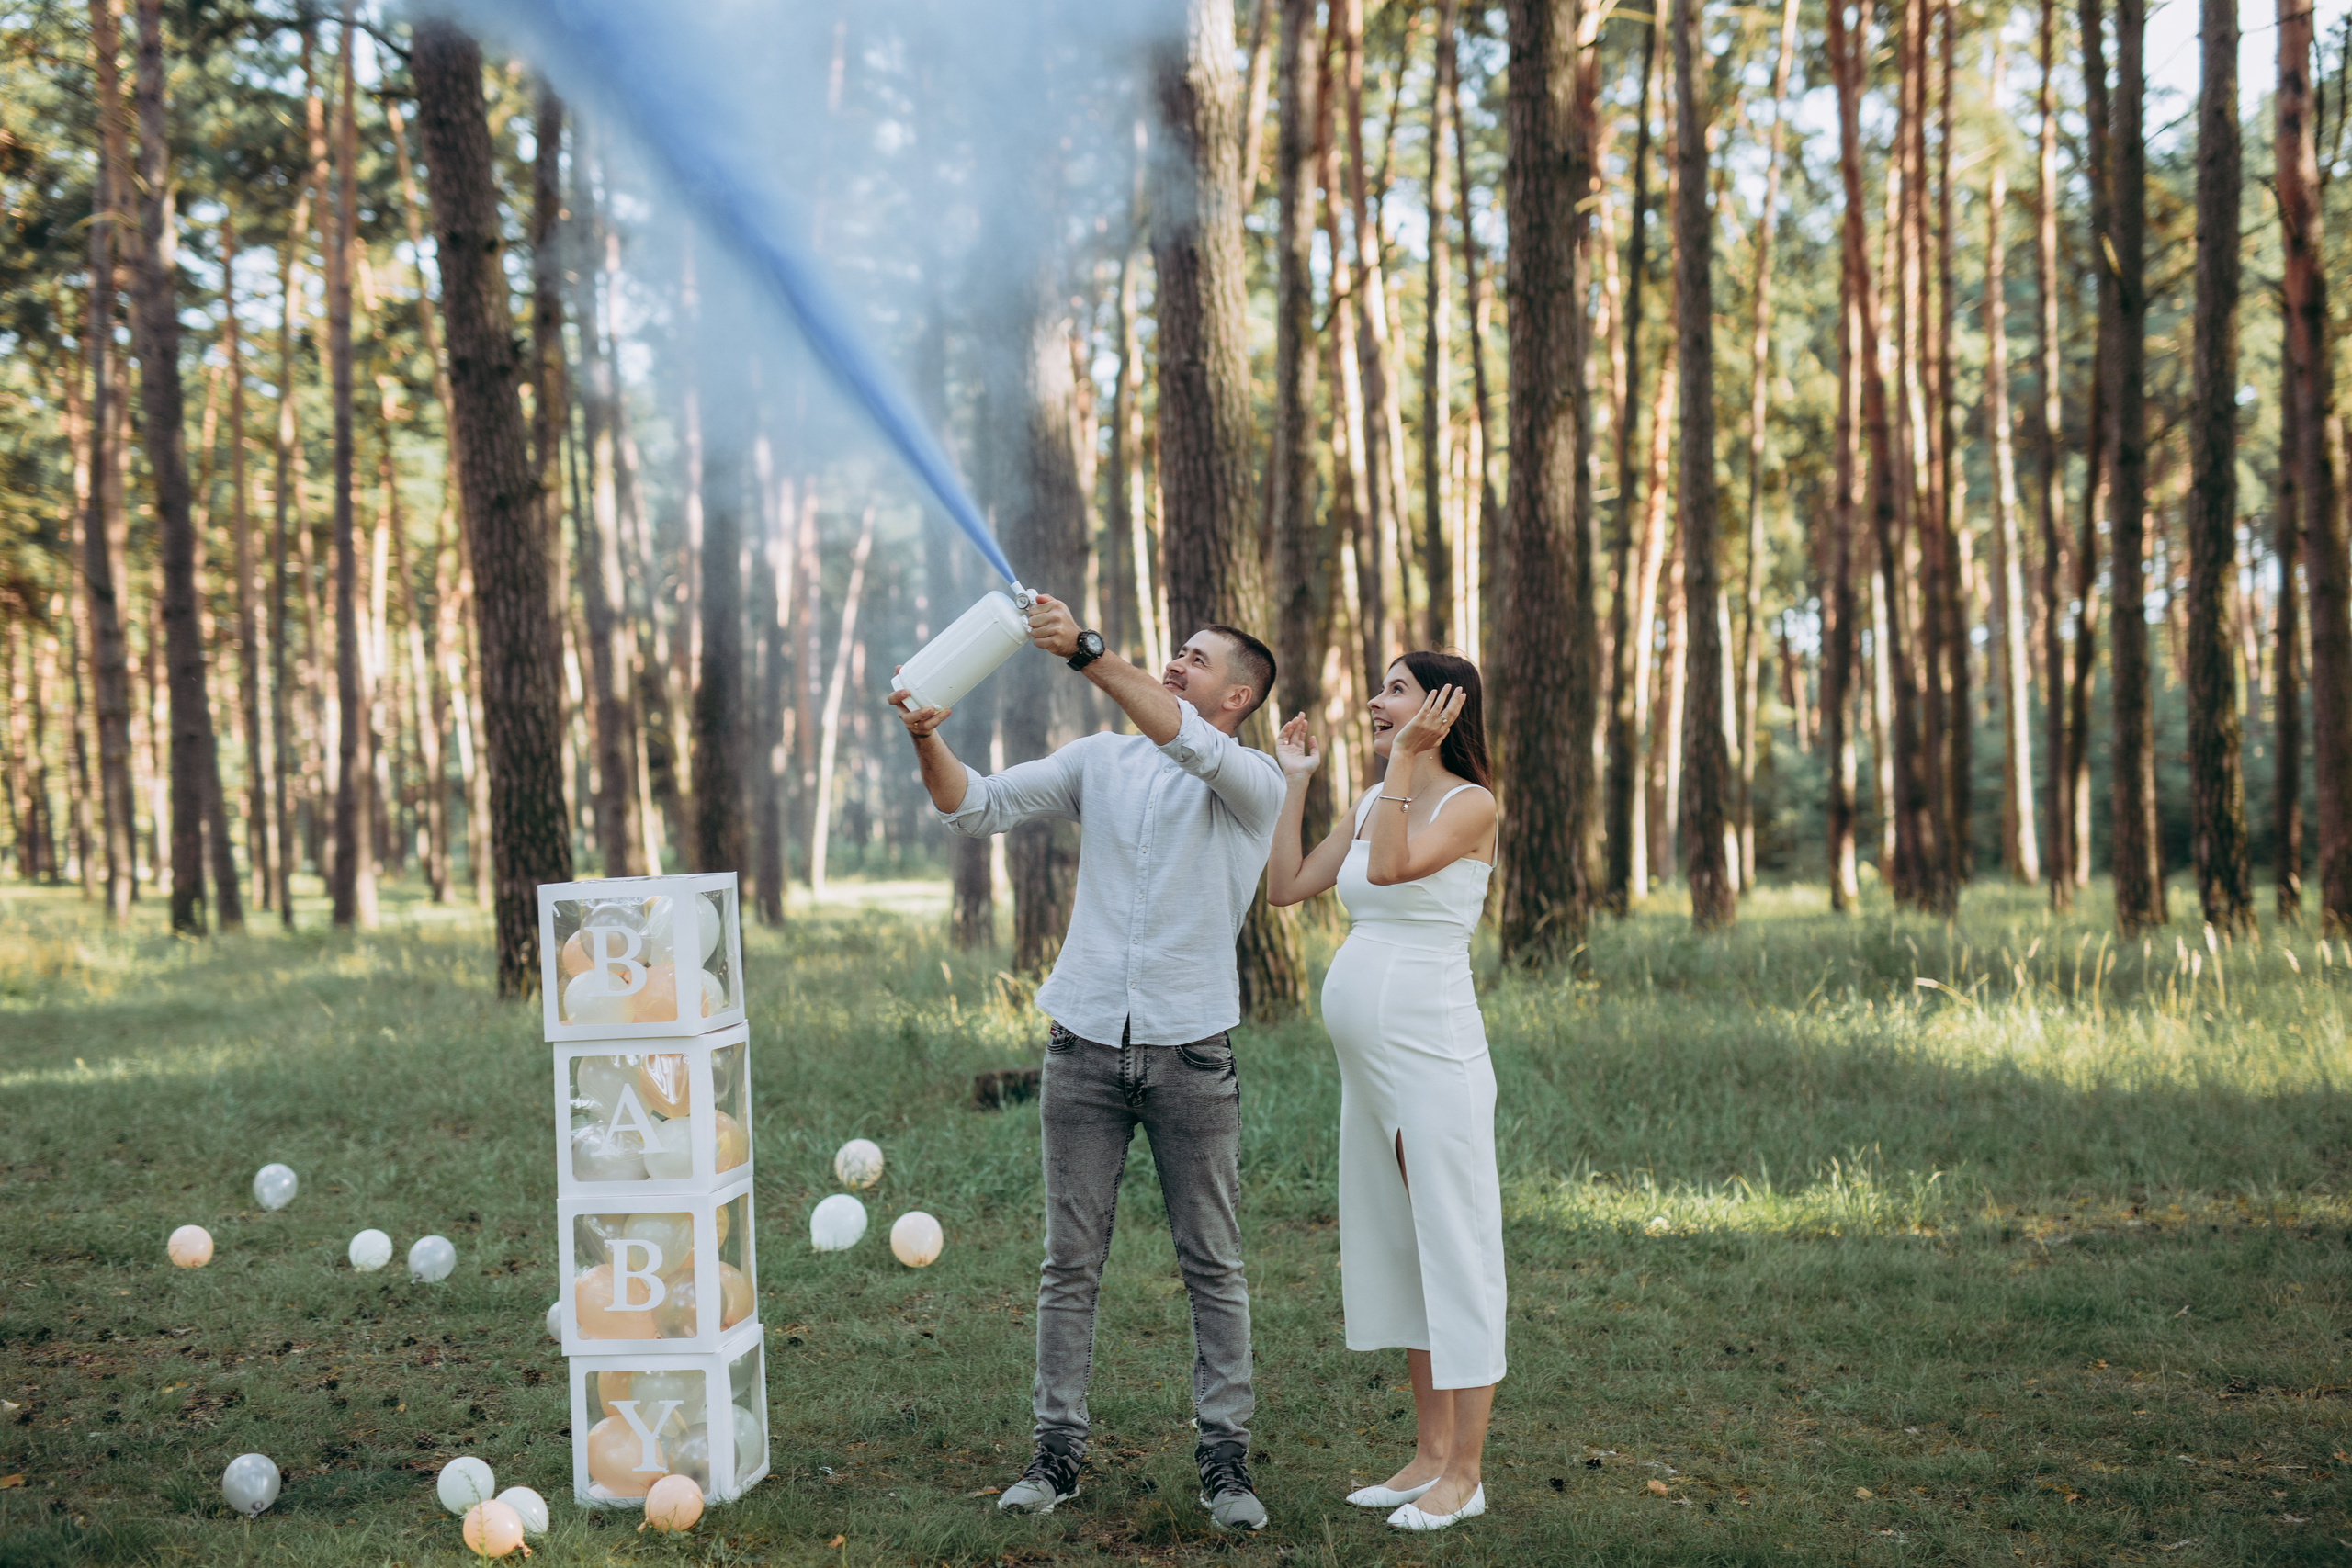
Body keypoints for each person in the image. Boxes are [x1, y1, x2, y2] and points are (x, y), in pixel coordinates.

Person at [888, 592, 1283, 1534]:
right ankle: (1055, 1453)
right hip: (1081, 1050)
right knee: (1068, 1264)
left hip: (1193, 1058)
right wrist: (927, 738)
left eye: (1197, 659)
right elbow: (973, 806)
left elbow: (1184, 740)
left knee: (1213, 1264)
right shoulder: (1098, 760)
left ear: (1237, 697)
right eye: (1175, 650)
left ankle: (1225, 1463)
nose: (1176, 662)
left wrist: (1087, 650)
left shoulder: (1253, 780)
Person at [1264, 650, 1504, 1532]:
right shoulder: (1373, 800)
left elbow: (1397, 869)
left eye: (1395, 688)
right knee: (1405, 1248)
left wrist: (1404, 760)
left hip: (1435, 1056)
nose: (1373, 699)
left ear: (1443, 706)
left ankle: (1466, 1475)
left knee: (1456, 1250)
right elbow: (1287, 886)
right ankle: (1429, 1454)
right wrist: (1295, 782)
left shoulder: (1470, 804)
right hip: (1372, 1072)